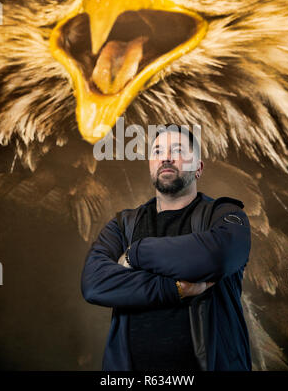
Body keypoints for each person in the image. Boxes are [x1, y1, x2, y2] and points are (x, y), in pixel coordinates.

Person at [81, 124, 252, 371]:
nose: (166, 158)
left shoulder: (224, 215)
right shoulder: (124, 224)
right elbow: (94, 283)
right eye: (158, 151)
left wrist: (134, 254)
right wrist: (175, 289)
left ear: (199, 168)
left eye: (178, 150)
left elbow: (218, 257)